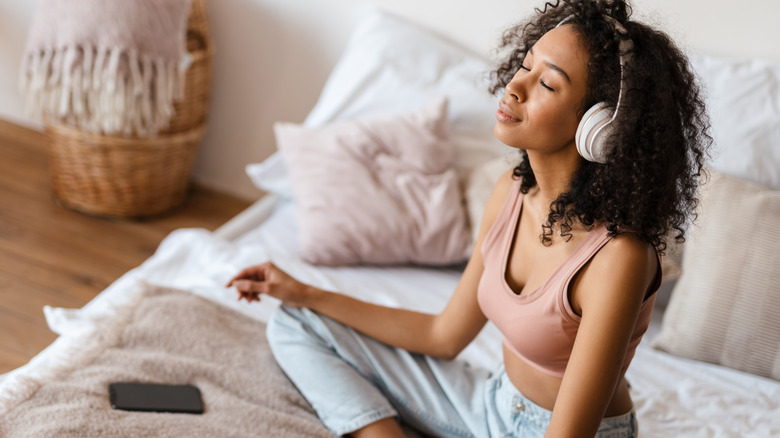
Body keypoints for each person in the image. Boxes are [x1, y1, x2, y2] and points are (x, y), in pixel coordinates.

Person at [226, 0, 711, 436]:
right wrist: (302, 291)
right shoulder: (511, 192)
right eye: (524, 65)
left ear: (599, 127)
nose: (515, 85)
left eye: (546, 82)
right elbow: (443, 336)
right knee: (297, 324)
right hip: (489, 406)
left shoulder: (619, 258)